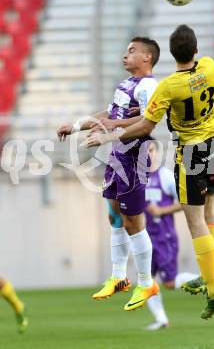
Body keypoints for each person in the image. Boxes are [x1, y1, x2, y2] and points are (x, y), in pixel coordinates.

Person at [85, 24, 214, 319]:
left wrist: (108, 136)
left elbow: (145, 126)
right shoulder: (210, 67)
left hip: (190, 150)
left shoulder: (168, 87)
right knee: (211, 208)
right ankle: (209, 275)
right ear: (196, 50)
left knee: (195, 222)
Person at [57, 37, 161, 311]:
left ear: (147, 57)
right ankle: (118, 277)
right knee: (114, 216)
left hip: (133, 155)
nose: (124, 55)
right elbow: (110, 114)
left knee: (133, 222)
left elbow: (148, 124)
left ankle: (146, 282)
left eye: (131, 51)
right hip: (116, 153)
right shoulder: (127, 84)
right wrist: (78, 125)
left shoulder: (150, 86)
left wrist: (111, 127)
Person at [144, 140, 197, 330]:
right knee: (145, 280)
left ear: (156, 152)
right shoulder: (136, 179)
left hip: (163, 236)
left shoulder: (165, 176)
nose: (147, 155)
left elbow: (184, 202)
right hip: (144, 238)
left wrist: (160, 211)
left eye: (150, 150)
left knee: (169, 283)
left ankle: (204, 279)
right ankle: (161, 320)